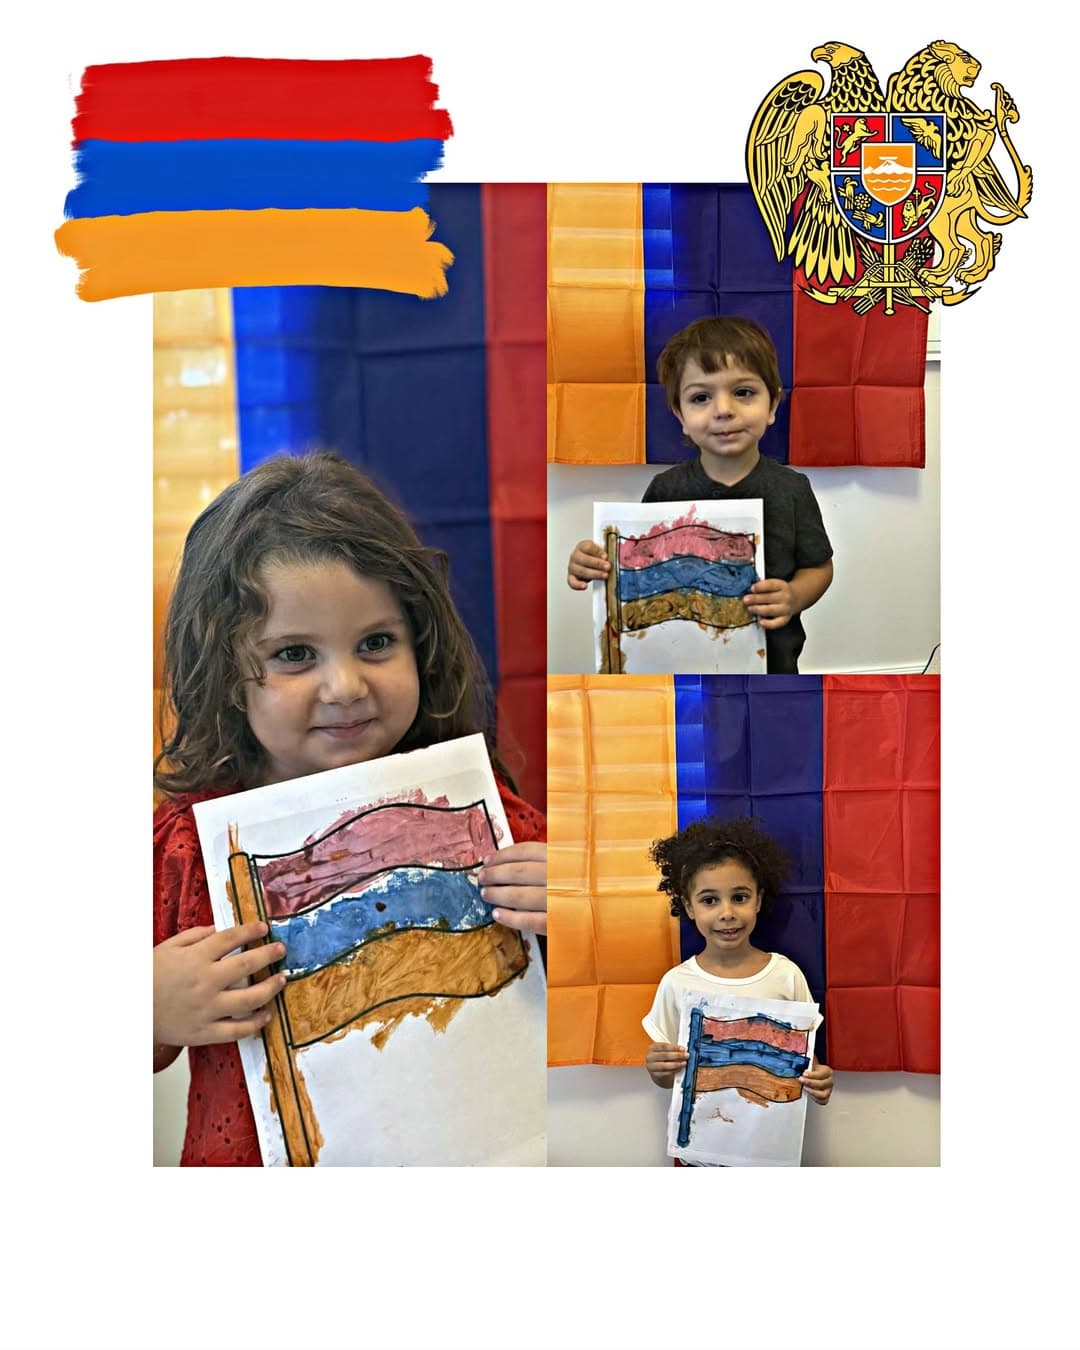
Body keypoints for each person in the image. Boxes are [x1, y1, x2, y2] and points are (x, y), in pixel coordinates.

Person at [153, 452, 546, 1166]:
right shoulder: (183, 850)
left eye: (375, 643)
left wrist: (573, 906)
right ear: (224, 673)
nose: (345, 685)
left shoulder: (490, 819)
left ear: (421, 646)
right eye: (295, 654)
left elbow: (589, 973)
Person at [566, 316, 834, 674]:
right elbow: (636, 565)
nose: (723, 410)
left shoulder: (791, 489)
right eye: (701, 397)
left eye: (743, 392)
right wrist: (593, 563)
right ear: (680, 414)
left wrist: (795, 596)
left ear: (772, 405)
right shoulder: (666, 489)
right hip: (677, 667)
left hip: (773, 669)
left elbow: (819, 567)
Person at [642, 816, 832, 1163]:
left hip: (769, 1152)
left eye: (739, 897)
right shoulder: (676, 984)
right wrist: (657, 1069)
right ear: (688, 907)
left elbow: (806, 1063)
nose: (727, 913)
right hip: (698, 1155)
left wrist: (819, 1082)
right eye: (710, 900)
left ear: (758, 900)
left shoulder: (786, 975)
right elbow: (669, 1079)